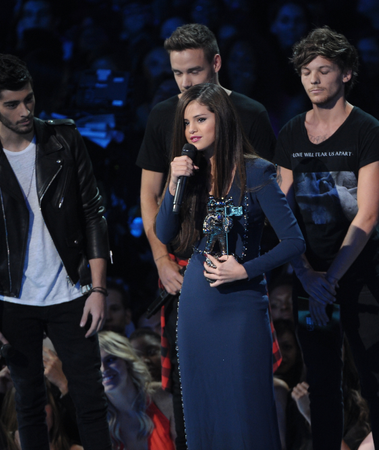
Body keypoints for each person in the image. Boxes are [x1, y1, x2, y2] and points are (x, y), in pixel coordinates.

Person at [0, 54, 111, 450]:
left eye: (29, 100)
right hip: (12, 300)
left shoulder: (63, 138)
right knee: (29, 404)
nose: (24, 111)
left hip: (72, 292)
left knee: (91, 400)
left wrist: (98, 289)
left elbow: (94, 213)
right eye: (12, 104)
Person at [136, 23, 277, 449]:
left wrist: (250, 265)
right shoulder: (165, 115)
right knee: (188, 393)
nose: (185, 84)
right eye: (177, 74)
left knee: (243, 391)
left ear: (216, 64)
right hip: (183, 272)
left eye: (194, 72)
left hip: (238, 272)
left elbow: (275, 201)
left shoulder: (250, 114)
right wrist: (161, 261)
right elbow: (148, 194)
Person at [155, 83, 305, 449]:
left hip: (240, 303)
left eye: (201, 119)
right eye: (187, 121)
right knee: (201, 405)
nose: (191, 128)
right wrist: (174, 182)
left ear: (221, 119)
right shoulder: (190, 176)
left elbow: (294, 242)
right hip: (196, 304)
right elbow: (164, 231)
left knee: (244, 407)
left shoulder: (257, 172)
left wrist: (245, 270)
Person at [274, 26, 379, 450]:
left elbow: (368, 214)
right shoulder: (290, 134)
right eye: (306, 71)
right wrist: (306, 275)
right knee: (320, 380)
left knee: (374, 376)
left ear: (347, 73)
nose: (313, 79)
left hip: (359, 274)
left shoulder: (367, 130)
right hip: (308, 276)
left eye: (323, 70)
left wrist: (328, 281)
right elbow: (284, 212)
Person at [98, 331, 175, 450]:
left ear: (126, 361)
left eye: (111, 359)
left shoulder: (162, 396)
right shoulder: (95, 421)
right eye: (97, 364)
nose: (103, 369)